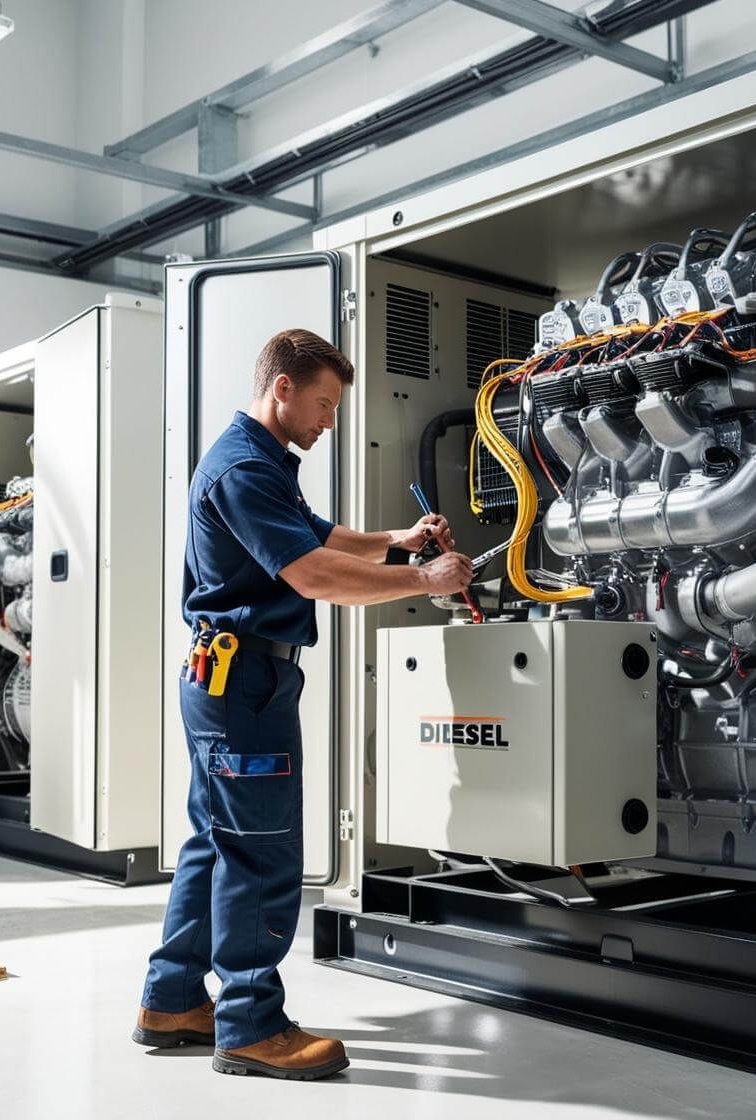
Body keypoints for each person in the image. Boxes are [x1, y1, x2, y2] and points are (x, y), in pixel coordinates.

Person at [134, 328, 472, 1080]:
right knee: (261, 849)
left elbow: (321, 535)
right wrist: (426, 580)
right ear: (281, 388)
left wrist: (400, 539)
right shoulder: (243, 470)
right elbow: (313, 572)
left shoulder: (259, 462)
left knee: (214, 843)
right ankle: (251, 1024)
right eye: (322, 404)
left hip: (230, 682)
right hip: (244, 685)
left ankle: (172, 1000)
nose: (328, 421)